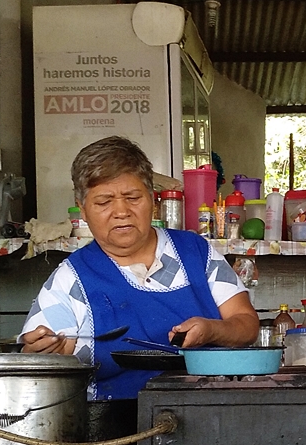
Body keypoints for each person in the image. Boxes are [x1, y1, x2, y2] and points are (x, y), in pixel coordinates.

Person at [19, 136, 258, 397]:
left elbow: (247, 325)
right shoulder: (70, 279)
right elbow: (41, 361)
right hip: (114, 418)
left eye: (133, 197)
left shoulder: (196, 253)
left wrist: (212, 330)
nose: (121, 211)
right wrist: (43, 352)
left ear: (153, 200)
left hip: (208, 408)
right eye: (104, 202)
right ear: (82, 210)